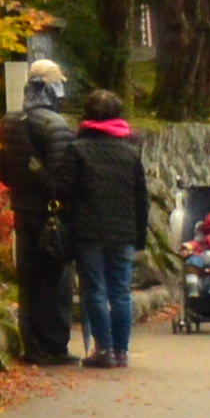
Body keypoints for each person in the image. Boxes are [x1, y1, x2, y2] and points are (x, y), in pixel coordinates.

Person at [0, 60, 81, 367]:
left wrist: (21, 186)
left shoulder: (10, 122)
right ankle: (54, 345)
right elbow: (62, 179)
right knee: (55, 279)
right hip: (51, 215)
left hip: (22, 211)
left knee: (28, 279)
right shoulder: (54, 126)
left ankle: (31, 343)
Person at [67, 87, 151, 366]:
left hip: (88, 231)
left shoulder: (77, 150)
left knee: (95, 290)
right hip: (123, 231)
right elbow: (142, 198)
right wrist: (139, 236)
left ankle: (102, 350)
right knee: (121, 291)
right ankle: (121, 350)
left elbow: (66, 191)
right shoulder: (130, 153)